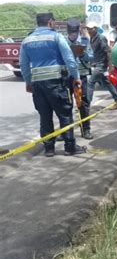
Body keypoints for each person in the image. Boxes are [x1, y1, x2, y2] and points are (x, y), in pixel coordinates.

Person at [19, 12, 85, 157]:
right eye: (54, 22)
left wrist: (29, 82)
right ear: (50, 22)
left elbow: (23, 65)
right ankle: (69, 147)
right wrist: (76, 77)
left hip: (38, 85)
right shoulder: (56, 37)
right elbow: (69, 60)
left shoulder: (26, 41)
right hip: (56, 83)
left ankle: (49, 149)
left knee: (45, 116)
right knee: (65, 114)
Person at [65, 18, 94, 139]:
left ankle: (86, 130)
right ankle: (66, 132)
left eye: (75, 33)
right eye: (71, 33)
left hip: (81, 76)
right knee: (66, 105)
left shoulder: (85, 40)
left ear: (78, 31)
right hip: (67, 76)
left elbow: (92, 57)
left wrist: (83, 53)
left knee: (84, 103)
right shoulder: (62, 41)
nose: (73, 35)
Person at [86, 22, 117, 109]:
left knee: (90, 82)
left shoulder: (100, 38)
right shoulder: (92, 38)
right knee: (107, 83)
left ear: (96, 28)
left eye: (91, 28)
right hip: (98, 63)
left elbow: (108, 51)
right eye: (88, 29)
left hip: (101, 64)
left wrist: (110, 65)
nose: (89, 30)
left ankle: (86, 105)